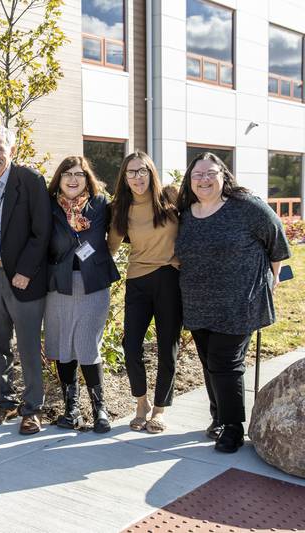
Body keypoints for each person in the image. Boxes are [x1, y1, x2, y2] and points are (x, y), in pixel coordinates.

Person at [175, 152, 290, 453]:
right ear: (190, 180)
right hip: (198, 302)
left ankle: (233, 428)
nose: (204, 179)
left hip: (240, 302)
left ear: (224, 175)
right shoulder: (186, 213)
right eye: (197, 174)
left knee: (225, 363)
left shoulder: (247, 208)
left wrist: (272, 279)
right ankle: (218, 417)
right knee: (209, 362)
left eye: (210, 173)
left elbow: (277, 243)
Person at [0, 126, 52, 435]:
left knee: (28, 344)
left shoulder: (30, 181)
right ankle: (4, 401)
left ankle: (33, 408)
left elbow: (42, 232)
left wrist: (26, 271)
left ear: (11, 150)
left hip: (22, 277)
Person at [107, 151, 181, 434]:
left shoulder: (171, 199)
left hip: (169, 279)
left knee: (167, 347)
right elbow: (109, 249)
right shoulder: (120, 209)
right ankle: (142, 403)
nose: (137, 177)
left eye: (142, 171)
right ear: (124, 178)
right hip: (137, 280)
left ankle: (160, 410)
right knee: (131, 346)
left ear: (151, 173)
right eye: (131, 172)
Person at [44, 156, 119, 433]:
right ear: (59, 179)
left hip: (93, 284)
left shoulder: (101, 205)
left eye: (79, 174)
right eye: (67, 174)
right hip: (59, 284)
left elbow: (113, 234)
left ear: (88, 178)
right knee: (64, 346)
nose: (73, 179)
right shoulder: (49, 206)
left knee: (88, 344)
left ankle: (100, 409)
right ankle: (71, 409)